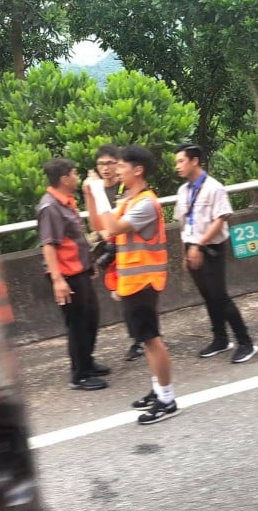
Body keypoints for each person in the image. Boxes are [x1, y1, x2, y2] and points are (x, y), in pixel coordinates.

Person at [92, 145, 178, 424]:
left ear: (137, 170)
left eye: (121, 167)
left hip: (144, 282)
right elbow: (104, 230)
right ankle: (158, 390)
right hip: (132, 282)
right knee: (146, 339)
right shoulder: (129, 201)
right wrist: (91, 195)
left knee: (152, 340)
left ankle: (167, 399)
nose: (116, 171)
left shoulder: (145, 203)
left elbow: (114, 229)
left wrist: (96, 191)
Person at [173, 143, 258, 364]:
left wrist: (199, 246)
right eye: (176, 162)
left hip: (210, 249)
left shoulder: (214, 188)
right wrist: (186, 250)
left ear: (194, 161)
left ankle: (246, 342)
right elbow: (184, 224)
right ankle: (220, 339)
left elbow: (221, 218)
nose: (177, 166)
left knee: (219, 296)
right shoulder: (183, 191)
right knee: (208, 296)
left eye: (181, 161)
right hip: (191, 247)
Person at [37, 158, 109, 391]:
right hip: (67, 276)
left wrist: (88, 264)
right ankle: (80, 375)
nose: (77, 178)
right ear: (64, 179)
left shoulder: (66, 202)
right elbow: (49, 245)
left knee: (91, 318)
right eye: (75, 174)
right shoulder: (50, 207)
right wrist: (58, 280)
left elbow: (74, 239)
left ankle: (87, 361)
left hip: (79, 271)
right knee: (77, 324)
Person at [86, 143, 143, 362]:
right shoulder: (97, 188)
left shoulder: (125, 187)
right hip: (112, 248)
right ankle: (138, 337)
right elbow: (94, 223)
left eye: (110, 163)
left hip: (128, 246)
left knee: (135, 294)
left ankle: (142, 338)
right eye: (101, 164)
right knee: (122, 295)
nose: (106, 168)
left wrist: (110, 230)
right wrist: (89, 195)